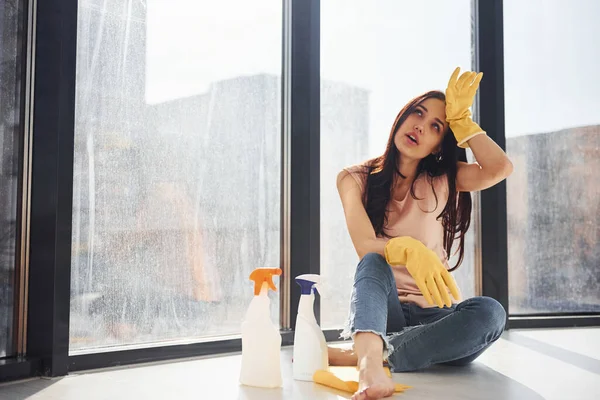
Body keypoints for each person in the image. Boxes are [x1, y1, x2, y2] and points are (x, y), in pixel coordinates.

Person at [330, 67, 513, 400]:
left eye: (435, 127)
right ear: (401, 118)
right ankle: (370, 366)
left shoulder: (443, 179)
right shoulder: (354, 178)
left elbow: (500, 168)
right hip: (385, 311)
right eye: (417, 113)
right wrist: (408, 250)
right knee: (373, 261)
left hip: (436, 318)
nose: (419, 126)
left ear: (437, 145)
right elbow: (364, 246)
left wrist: (462, 122)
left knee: (492, 313)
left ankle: (372, 352)